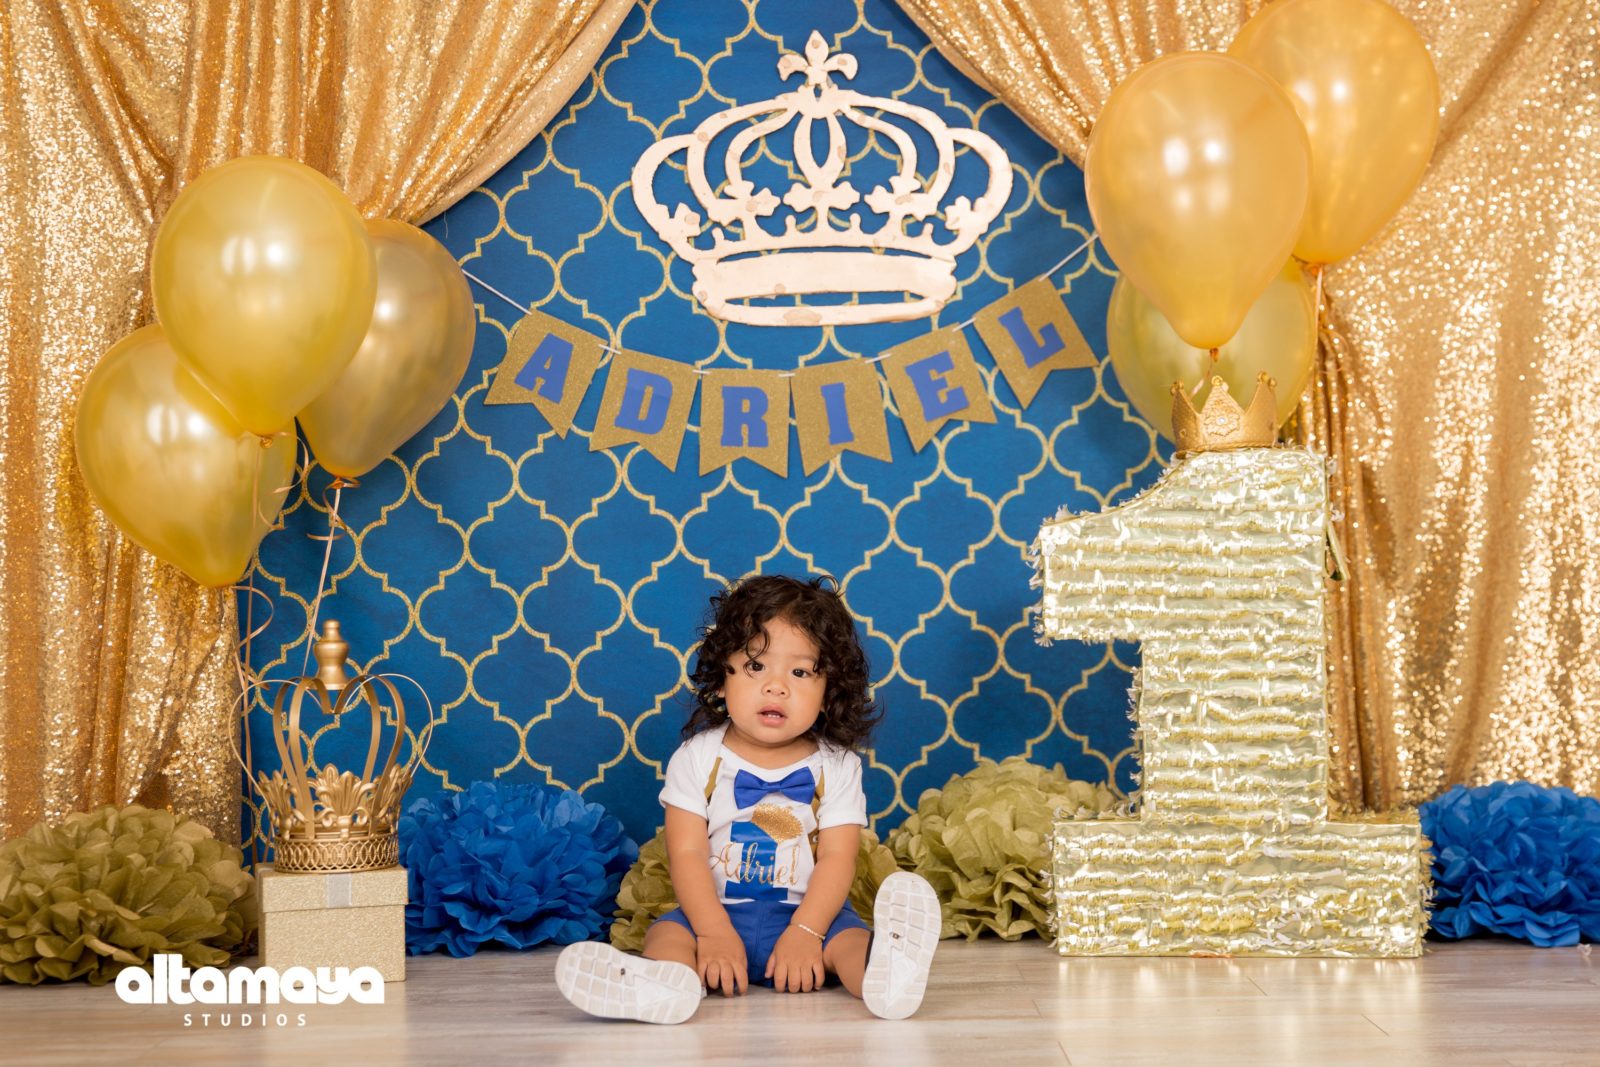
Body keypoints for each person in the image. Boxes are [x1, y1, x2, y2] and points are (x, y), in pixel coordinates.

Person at [555, 574, 941, 1024]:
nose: (777, 686)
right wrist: (712, 932)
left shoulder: (837, 766)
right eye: (757, 666)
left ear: (828, 693)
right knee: (667, 936)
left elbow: (838, 858)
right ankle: (663, 985)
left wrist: (806, 931)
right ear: (722, 678)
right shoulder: (698, 758)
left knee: (849, 942)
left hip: (808, 916)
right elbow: (686, 853)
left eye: (800, 672)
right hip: (716, 914)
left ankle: (886, 976)